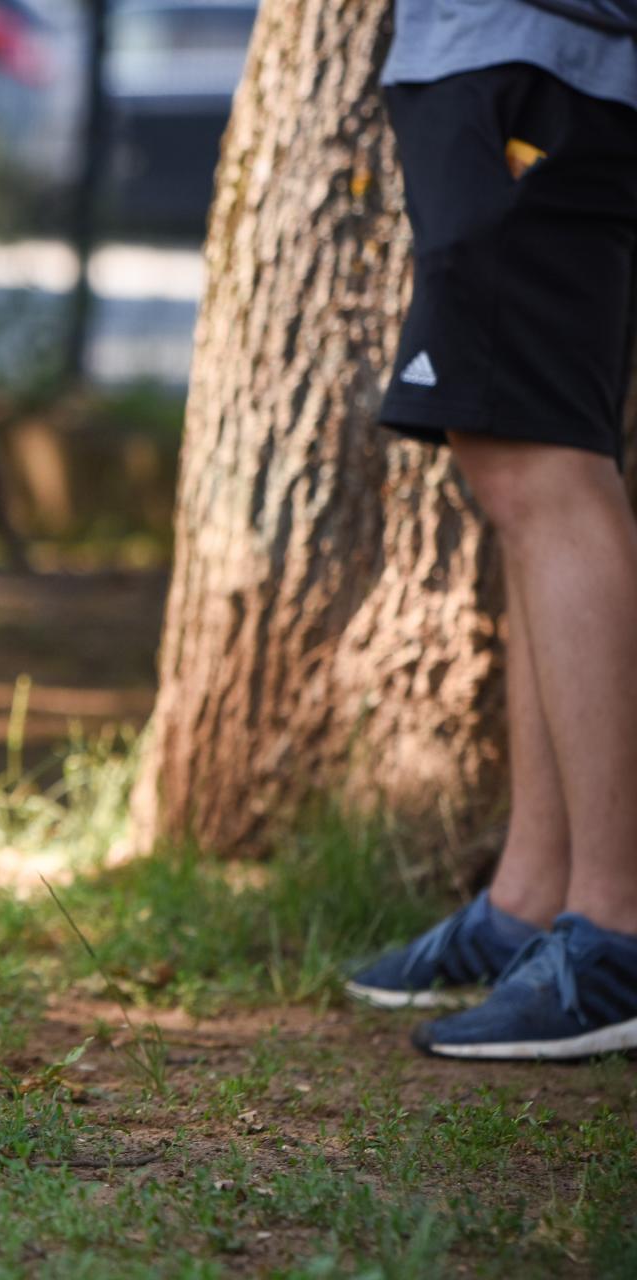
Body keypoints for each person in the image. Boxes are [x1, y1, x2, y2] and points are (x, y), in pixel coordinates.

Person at [344, 0, 637, 1059]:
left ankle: (614, 931)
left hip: (537, 60)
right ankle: (535, 896)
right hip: (513, 59)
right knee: (530, 466)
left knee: (542, 468)